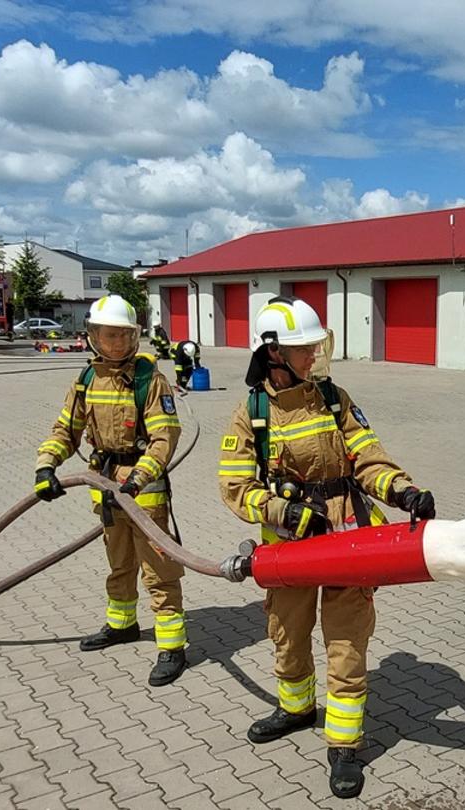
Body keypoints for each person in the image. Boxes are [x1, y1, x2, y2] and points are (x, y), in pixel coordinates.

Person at [217, 296, 436, 799]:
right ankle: (295, 709)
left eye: (317, 346)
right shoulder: (251, 413)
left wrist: (403, 491)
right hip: (287, 549)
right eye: (303, 349)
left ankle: (344, 745)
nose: (314, 355)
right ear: (273, 354)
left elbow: (366, 457)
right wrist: (283, 512)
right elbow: (233, 485)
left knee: (346, 643)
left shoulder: (334, 398)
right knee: (287, 635)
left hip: (345, 542)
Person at [32, 296, 190, 687]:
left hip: (143, 492)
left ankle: (173, 648)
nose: (117, 342)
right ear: (94, 337)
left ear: (134, 336)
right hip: (104, 486)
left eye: (124, 335)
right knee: (119, 563)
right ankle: (122, 624)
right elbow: (65, 430)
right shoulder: (86, 380)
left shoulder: (149, 380)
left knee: (159, 570)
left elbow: (164, 436)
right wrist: (46, 465)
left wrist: (138, 478)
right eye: (110, 335)